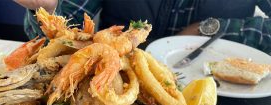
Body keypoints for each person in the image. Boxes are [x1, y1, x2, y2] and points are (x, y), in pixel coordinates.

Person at [15, 0, 271, 54]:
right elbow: (67, 31)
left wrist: (212, 28)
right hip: (122, 79)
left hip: (233, 101)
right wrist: (48, 7)